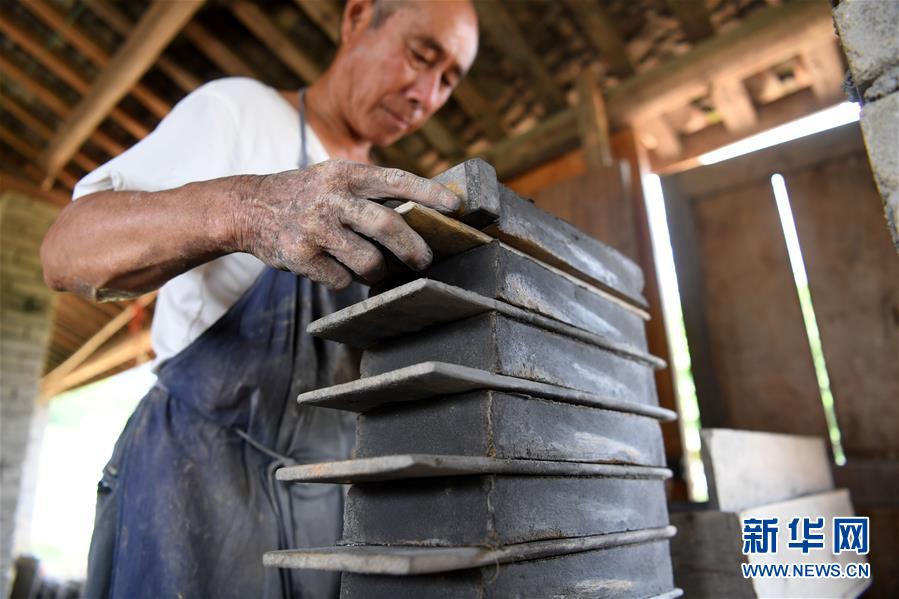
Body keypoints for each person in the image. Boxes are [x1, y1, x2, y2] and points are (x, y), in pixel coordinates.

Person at [39, 0, 479, 597]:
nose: (424, 93)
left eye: (448, 80)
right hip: (197, 490)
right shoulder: (241, 110)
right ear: (356, 19)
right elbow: (67, 252)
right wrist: (251, 210)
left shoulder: (387, 205)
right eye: (421, 55)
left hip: (326, 512)